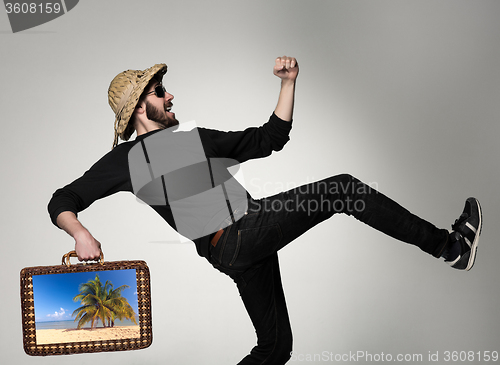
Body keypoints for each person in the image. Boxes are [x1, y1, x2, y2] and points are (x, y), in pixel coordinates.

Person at [48, 56, 482, 365]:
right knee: (343, 190)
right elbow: (62, 200)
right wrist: (81, 234)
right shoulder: (123, 162)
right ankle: (451, 248)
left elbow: (268, 138)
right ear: (141, 107)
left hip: (239, 248)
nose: (171, 94)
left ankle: (451, 249)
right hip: (239, 236)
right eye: (161, 91)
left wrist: (288, 83)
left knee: (275, 350)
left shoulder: (192, 139)